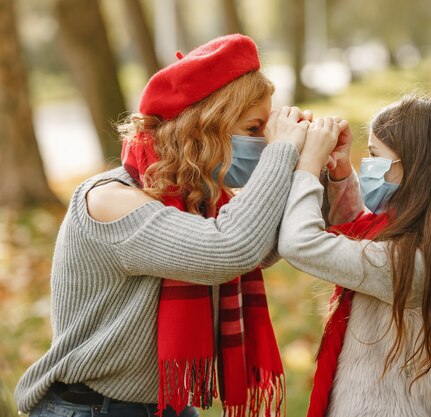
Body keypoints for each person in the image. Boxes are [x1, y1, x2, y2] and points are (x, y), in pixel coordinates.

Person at [14, 34, 361, 417]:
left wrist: (327, 169)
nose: (264, 142)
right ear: (201, 130)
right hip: (90, 409)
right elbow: (228, 250)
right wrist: (283, 152)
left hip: (167, 407)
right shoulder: (109, 200)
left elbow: (271, 238)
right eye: (253, 129)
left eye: (267, 130)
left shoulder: (199, 201)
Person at [278, 95, 431, 417]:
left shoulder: (423, 263)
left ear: (419, 167)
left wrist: (307, 169)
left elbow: (301, 244)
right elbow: (367, 238)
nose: (369, 167)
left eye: (376, 157)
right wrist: (340, 173)